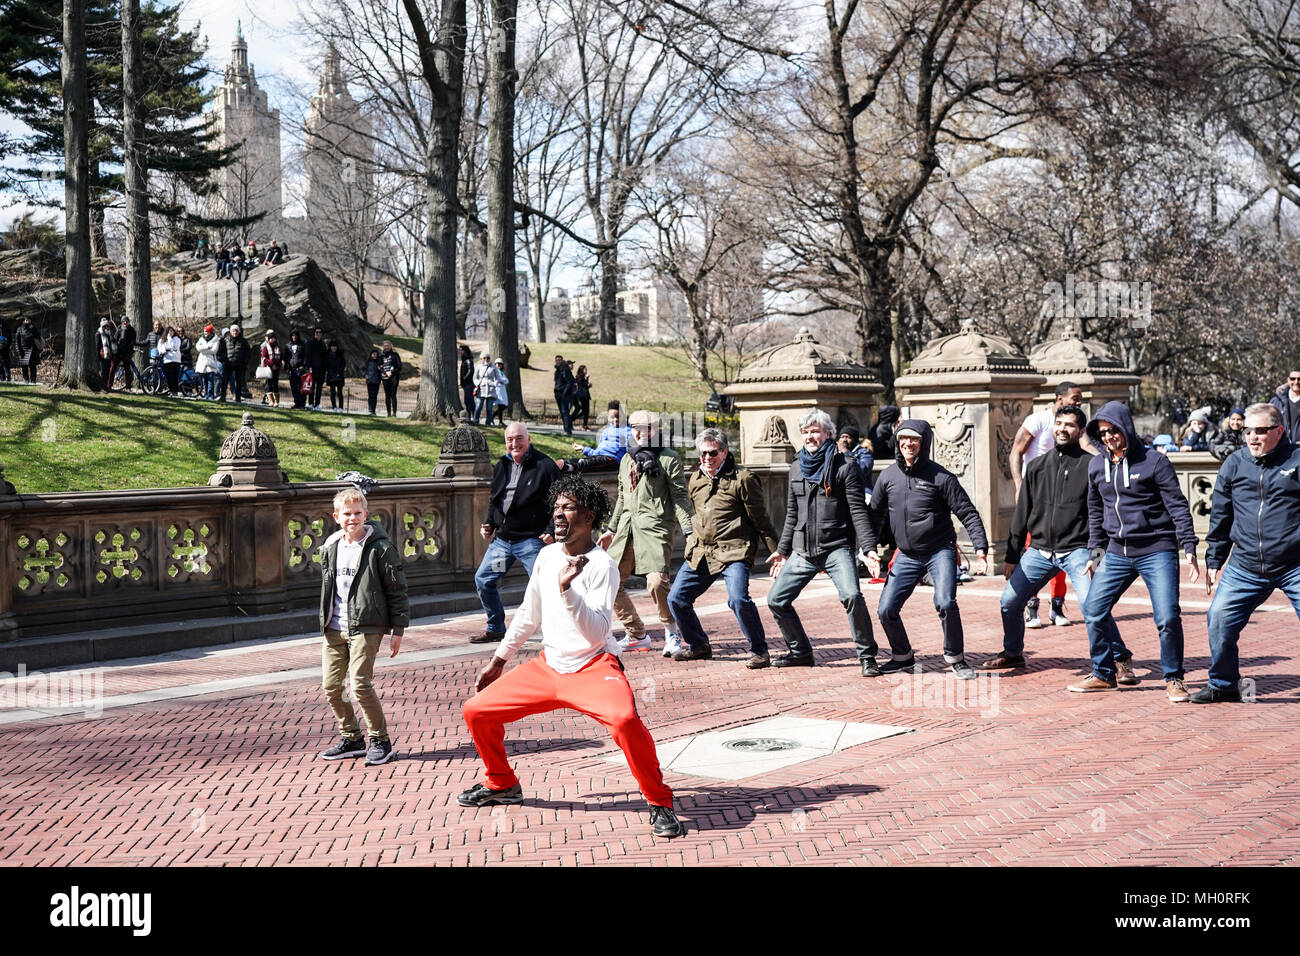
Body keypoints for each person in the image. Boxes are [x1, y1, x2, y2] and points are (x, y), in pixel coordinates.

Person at [459, 476, 685, 839]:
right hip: (548, 667)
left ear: (589, 516)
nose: (558, 514)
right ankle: (501, 783)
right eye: (556, 507)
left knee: (626, 721)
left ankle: (659, 801)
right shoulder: (547, 556)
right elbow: (529, 614)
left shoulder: (601, 565)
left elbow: (597, 632)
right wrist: (499, 659)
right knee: (476, 711)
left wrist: (568, 592)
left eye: (568, 508)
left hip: (593, 666)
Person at [979, 405, 1135, 681]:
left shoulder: (1092, 465)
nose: (1063, 429)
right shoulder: (1037, 466)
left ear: (1081, 431)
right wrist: (1013, 556)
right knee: (1009, 602)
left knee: (1093, 606)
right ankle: (1013, 652)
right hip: (1038, 551)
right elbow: (1022, 514)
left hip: (1079, 551)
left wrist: (1097, 555)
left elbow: (1106, 515)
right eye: (1059, 423)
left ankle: (1120, 657)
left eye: (1070, 425)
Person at [1070, 401, 1200, 702]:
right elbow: (1095, 511)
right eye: (1102, 433)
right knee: (1093, 609)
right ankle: (1104, 674)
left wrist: (1190, 547)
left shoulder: (1155, 462)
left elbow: (1178, 506)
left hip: (1156, 549)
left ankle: (1174, 678)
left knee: (1167, 616)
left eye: (1113, 430)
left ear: (1126, 427)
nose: (1108, 437)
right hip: (1116, 551)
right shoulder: (1096, 465)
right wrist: (1095, 553)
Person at [868, 419, 989, 679]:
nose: (908, 444)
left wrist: (980, 548)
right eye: (903, 439)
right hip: (906, 555)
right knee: (886, 610)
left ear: (923, 443)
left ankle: (956, 658)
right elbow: (874, 517)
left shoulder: (941, 477)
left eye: (914, 439)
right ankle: (902, 657)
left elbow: (968, 513)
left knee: (945, 602)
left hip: (939, 551)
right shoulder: (887, 476)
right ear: (897, 442)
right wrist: (868, 549)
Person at [1197, 404, 1300, 702]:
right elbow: (1221, 514)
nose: (1252, 437)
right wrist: (1215, 559)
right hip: (1245, 565)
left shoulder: (1296, 459)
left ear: (1279, 431)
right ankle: (1224, 684)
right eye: (1248, 431)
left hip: (1293, 564)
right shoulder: (1234, 463)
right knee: (1218, 619)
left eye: (1260, 431)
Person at [765, 409, 879, 671]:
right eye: (805, 432)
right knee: (776, 600)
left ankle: (867, 656)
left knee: (851, 595)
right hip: (802, 550)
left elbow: (858, 511)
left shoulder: (844, 466)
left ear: (829, 434)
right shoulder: (796, 467)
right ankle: (800, 652)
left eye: (815, 431)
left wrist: (869, 548)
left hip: (836, 546)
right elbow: (792, 514)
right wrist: (783, 551)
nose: (809, 436)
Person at [667, 428, 779, 667]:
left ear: (725, 452)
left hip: (735, 550)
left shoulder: (743, 479)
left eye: (713, 453)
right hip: (702, 551)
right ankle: (699, 645)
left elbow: (761, 519)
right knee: (676, 599)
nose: (707, 458)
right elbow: (695, 512)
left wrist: (777, 552)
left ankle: (760, 651)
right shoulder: (696, 478)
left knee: (738, 599)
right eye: (703, 453)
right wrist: (691, 536)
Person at [316, 486, 408, 767]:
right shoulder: (331, 546)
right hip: (334, 626)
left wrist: (398, 630)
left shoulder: (380, 548)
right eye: (347, 513)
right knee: (332, 687)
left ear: (366, 515)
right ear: (336, 516)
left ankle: (380, 740)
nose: (352, 518)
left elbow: (397, 589)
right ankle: (352, 737)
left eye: (358, 513)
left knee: (359, 684)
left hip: (367, 624)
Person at [598, 410, 693, 657]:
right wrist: (611, 529)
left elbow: (681, 497)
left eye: (645, 428)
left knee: (656, 582)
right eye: (635, 428)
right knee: (610, 581)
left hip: (655, 527)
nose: (639, 433)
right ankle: (637, 633)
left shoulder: (669, 459)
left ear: (656, 430)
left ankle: (672, 632)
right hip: (627, 527)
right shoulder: (626, 460)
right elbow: (622, 496)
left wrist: (689, 530)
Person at [1008, 382, 1097, 628]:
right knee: (1037, 551)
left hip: (1069, 481)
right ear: (1059, 399)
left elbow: (1087, 446)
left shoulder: (1078, 424)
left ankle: (1056, 606)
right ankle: (1031, 607)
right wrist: (1018, 485)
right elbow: (1016, 451)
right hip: (1040, 487)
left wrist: (1106, 465)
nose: (1078, 402)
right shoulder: (1038, 420)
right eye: (1075, 398)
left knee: (1064, 551)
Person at [468, 423, 559, 644]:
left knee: (545, 585)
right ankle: (496, 627)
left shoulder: (544, 466)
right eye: (510, 439)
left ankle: (556, 633)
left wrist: (551, 531)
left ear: (528, 439)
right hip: (503, 542)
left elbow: (559, 501)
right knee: (485, 580)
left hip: (531, 541)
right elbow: (495, 499)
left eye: (519, 438)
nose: (514, 444)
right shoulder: (502, 465)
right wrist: (489, 523)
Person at [556, 401, 631, 475]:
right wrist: (583, 449)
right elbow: (597, 452)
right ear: (608, 417)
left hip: (613, 460)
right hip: (599, 457)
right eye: (612, 417)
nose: (615, 419)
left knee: (589, 463)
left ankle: (570, 467)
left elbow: (630, 450)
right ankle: (562, 465)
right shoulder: (606, 431)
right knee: (579, 460)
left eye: (618, 416)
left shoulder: (627, 431)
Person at [836, 425, 874, 490]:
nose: (844, 440)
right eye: (842, 437)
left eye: (848, 437)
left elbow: (863, 469)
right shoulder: (835, 452)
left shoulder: (864, 452)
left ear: (855, 440)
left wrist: (846, 452)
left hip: (862, 489)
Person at [220, 324, 251, 403]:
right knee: (224, 380)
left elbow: (247, 353)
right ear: (230, 331)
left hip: (239, 364)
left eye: (236, 331)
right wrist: (223, 360)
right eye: (233, 331)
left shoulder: (243, 341)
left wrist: (244, 363)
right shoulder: (225, 340)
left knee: (239, 381)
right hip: (227, 363)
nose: (235, 332)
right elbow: (221, 351)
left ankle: (238, 397)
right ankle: (223, 396)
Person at [1268, 367, 1300, 442]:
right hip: (1282, 447)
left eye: (1299, 379)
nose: (1296, 382)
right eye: (1293, 379)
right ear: (1288, 380)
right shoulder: (1276, 402)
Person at [194, 324, 221, 400]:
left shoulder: (215, 340)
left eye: (206, 331)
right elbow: (198, 348)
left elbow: (214, 351)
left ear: (210, 332)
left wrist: (203, 350)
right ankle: (206, 394)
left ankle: (210, 396)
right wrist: (207, 347)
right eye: (204, 331)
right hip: (202, 362)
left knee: (210, 380)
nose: (205, 333)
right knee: (204, 380)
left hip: (210, 363)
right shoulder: (201, 339)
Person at [110, 316, 137, 390]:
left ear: (128, 322)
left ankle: (128, 387)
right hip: (118, 352)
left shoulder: (132, 330)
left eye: (126, 321)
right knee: (113, 367)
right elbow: (115, 340)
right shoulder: (119, 329)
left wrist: (130, 350)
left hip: (127, 353)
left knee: (127, 370)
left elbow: (133, 342)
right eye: (123, 321)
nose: (125, 322)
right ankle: (109, 385)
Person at [305, 326, 328, 409]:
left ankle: (317, 404)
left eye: (320, 332)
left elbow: (325, 357)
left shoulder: (323, 344)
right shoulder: (310, 343)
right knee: (311, 387)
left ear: (321, 334)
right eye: (316, 332)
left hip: (321, 370)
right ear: (314, 334)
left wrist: (325, 369)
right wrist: (309, 367)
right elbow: (307, 356)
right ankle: (310, 403)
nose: (318, 334)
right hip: (313, 368)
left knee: (319, 388)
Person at [553, 354, 576, 435]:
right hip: (558, 393)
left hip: (564, 394)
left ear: (562, 361)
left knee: (565, 411)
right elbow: (557, 382)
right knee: (562, 412)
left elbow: (569, 382)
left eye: (559, 360)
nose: (558, 361)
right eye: (556, 360)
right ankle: (566, 428)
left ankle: (567, 430)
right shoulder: (557, 371)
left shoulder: (565, 370)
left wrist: (564, 393)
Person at [472, 351, 497, 424]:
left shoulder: (493, 367)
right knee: (478, 406)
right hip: (481, 389)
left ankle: (488, 422)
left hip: (491, 390)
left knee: (489, 408)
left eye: (488, 358)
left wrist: (494, 383)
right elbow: (474, 378)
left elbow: (498, 378)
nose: (486, 359)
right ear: (482, 358)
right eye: (484, 358)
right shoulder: (478, 367)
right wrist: (477, 384)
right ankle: (475, 421)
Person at [259, 330, 283, 406]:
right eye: (271, 338)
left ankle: (276, 401)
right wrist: (272, 364)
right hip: (269, 369)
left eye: (273, 338)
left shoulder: (278, 347)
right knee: (269, 384)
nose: (272, 340)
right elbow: (264, 358)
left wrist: (277, 364)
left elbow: (281, 358)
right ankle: (270, 401)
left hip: (277, 369)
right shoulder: (265, 347)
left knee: (275, 384)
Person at [14, 317, 41, 384]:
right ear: (23, 321)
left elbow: (38, 336)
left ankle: (33, 380)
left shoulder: (33, 328)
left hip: (32, 350)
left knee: (32, 366)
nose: (27, 321)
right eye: (26, 320)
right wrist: (19, 350)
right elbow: (17, 341)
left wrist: (33, 329)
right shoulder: (20, 329)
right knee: (24, 366)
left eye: (28, 320)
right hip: (23, 350)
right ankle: (26, 379)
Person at [285, 328, 307, 408]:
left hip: (300, 369)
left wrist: (303, 366)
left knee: (301, 386)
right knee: (293, 387)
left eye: (296, 335)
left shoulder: (303, 345)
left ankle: (302, 403)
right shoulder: (288, 346)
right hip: (292, 370)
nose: (294, 337)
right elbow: (286, 357)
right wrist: (287, 367)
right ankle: (297, 403)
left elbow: (305, 356)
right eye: (293, 335)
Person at [379, 340, 401, 417]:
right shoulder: (381, 356)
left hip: (394, 378)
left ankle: (394, 413)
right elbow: (379, 366)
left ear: (391, 346)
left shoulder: (395, 355)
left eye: (388, 345)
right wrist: (386, 373)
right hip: (385, 378)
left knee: (393, 395)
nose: (386, 347)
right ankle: (388, 413)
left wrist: (392, 372)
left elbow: (399, 366)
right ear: (383, 346)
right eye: (385, 345)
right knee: (387, 395)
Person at [160, 325, 182, 395]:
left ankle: (175, 391)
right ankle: (170, 390)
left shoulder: (177, 339)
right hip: (167, 360)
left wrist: (168, 346)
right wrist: (163, 350)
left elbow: (175, 347)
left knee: (175, 376)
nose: (171, 332)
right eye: (169, 331)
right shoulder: (163, 339)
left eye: (172, 331)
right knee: (169, 376)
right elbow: (160, 347)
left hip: (176, 360)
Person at [95, 318, 116, 387]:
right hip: (102, 355)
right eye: (104, 326)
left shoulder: (108, 334)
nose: (106, 327)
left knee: (107, 371)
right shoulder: (98, 334)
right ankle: (103, 386)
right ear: (102, 326)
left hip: (108, 355)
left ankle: (106, 385)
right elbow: (97, 346)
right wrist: (98, 356)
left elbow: (111, 344)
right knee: (103, 371)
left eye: (106, 326)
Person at [325, 341, 347, 411]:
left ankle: (341, 407)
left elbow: (343, 364)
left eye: (335, 346)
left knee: (340, 392)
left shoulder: (340, 354)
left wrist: (339, 373)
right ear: (330, 347)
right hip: (331, 376)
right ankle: (334, 407)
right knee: (332, 392)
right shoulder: (327, 354)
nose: (333, 348)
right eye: (332, 346)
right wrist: (332, 373)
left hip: (339, 376)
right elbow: (326, 366)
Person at [572, 364, 592, 429]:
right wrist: (587, 379)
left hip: (584, 395)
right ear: (582, 370)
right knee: (585, 411)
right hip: (583, 396)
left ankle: (584, 424)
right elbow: (583, 384)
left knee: (586, 411)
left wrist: (587, 383)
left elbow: (583, 385)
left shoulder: (580, 376)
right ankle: (571, 419)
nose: (586, 370)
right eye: (585, 369)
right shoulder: (580, 376)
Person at [363, 347, 382, 415]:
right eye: (373, 354)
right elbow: (362, 369)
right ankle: (370, 409)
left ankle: (373, 410)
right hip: (369, 381)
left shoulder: (379, 362)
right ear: (371, 354)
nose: (375, 355)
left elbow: (381, 371)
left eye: (376, 354)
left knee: (374, 396)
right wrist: (366, 375)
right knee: (370, 396)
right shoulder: (368, 362)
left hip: (376, 381)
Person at [458, 343, 475, 416]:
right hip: (466, 384)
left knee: (468, 401)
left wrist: (464, 379)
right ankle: (472, 416)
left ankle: (472, 416)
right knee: (469, 401)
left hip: (469, 384)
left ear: (465, 351)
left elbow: (471, 371)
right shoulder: (465, 360)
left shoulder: (469, 360)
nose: (460, 352)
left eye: (461, 350)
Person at [0, 317, 11, 381]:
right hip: (4, 346)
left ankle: (7, 376)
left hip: (4, 346)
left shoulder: (4, 323)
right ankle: (2, 377)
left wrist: (8, 344)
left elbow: (9, 335)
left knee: (5, 362)